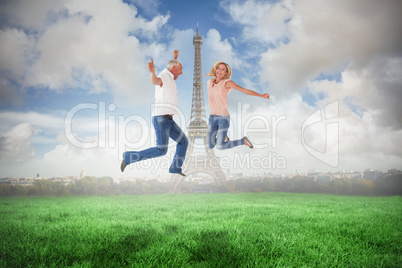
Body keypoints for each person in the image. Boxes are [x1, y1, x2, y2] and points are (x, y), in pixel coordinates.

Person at [121, 50, 188, 176]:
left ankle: (175, 168)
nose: (182, 72)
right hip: (161, 119)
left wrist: (175, 58)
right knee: (161, 150)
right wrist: (152, 72)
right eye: (180, 69)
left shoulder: (171, 76)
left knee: (183, 141)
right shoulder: (164, 77)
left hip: (169, 119)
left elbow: (171, 69)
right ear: (174, 69)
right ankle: (129, 157)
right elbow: (155, 81)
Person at [206, 61, 269, 150]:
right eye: (218, 68)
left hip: (223, 118)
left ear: (226, 73)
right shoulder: (209, 82)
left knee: (220, 146)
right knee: (210, 145)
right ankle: (224, 136)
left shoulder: (227, 83)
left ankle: (243, 141)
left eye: (223, 69)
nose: (219, 70)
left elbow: (244, 91)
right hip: (212, 117)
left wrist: (261, 95)